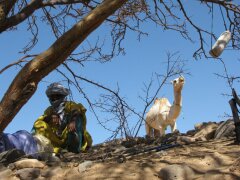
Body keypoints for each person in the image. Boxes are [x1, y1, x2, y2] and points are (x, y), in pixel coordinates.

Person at [32, 83, 92, 154]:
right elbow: (39, 121)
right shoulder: (49, 110)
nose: (54, 98)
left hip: (71, 137)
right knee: (39, 124)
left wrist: (72, 121)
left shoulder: (70, 105)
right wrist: (51, 116)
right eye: (52, 96)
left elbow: (76, 111)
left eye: (57, 95)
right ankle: (43, 148)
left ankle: (74, 149)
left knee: (77, 119)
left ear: (63, 96)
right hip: (57, 140)